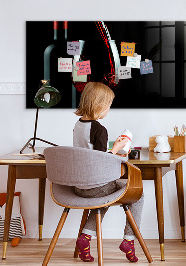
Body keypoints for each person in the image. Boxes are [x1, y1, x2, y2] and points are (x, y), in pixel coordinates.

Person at [73, 82, 143, 263]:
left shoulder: (78, 125)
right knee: (138, 194)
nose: (108, 110)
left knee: (103, 197)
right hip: (96, 186)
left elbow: (90, 154)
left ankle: (85, 238)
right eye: (108, 106)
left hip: (79, 186)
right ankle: (129, 240)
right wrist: (118, 148)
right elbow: (101, 161)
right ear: (100, 105)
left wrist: (112, 149)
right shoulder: (99, 129)